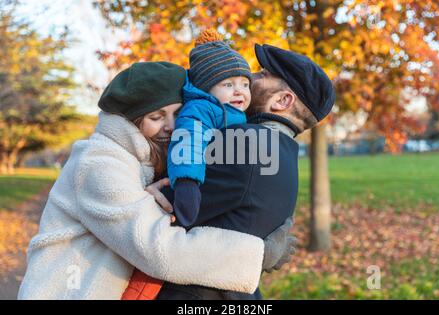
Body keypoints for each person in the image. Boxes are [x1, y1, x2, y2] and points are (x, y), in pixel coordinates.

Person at [17, 61, 296, 300]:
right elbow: (157, 248)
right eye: (156, 116)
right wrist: (257, 254)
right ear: (132, 119)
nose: (172, 126)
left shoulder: (150, 155)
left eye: (178, 113)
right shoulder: (98, 163)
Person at [155, 43, 336, 299]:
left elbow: (163, 211)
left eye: (262, 75)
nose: (250, 78)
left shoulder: (246, 142)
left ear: (283, 100)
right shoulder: (285, 152)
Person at [167, 28, 253, 227]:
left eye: (245, 84)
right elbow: (189, 138)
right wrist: (187, 182)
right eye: (228, 85)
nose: (239, 91)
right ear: (207, 88)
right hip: (197, 184)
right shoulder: (201, 108)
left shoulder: (238, 113)